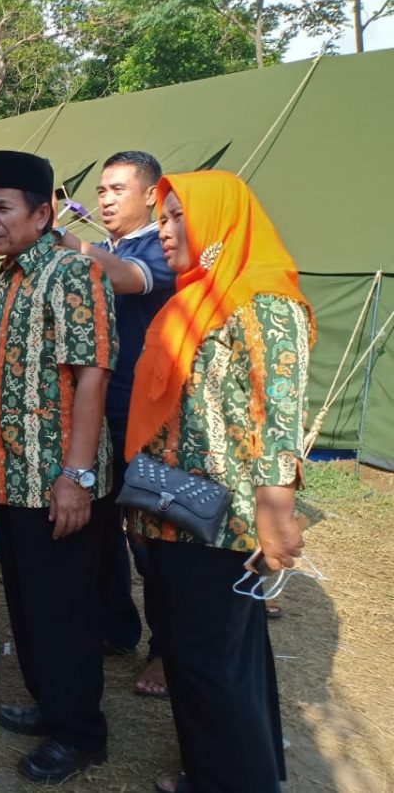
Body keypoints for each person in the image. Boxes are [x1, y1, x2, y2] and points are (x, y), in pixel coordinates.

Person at [127, 170, 313, 793]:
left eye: (179, 215)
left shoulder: (260, 296)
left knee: (211, 661)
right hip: (176, 511)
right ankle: (219, 772)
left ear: (221, 221)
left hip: (224, 521)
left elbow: (277, 406)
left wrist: (275, 505)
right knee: (201, 656)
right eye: (162, 215)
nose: (166, 228)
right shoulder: (196, 296)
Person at [0, 151, 117, 783]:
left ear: (43, 212)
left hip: (57, 480)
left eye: (2, 207)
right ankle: (51, 704)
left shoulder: (70, 271)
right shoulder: (7, 279)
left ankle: (80, 732)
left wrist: (77, 476)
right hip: (11, 479)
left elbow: (91, 376)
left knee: (63, 609)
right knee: (29, 604)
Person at [59, 151, 174, 695]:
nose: (105, 198)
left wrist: (76, 249)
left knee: (151, 534)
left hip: (147, 415)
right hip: (99, 411)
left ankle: (167, 650)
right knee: (101, 527)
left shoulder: (163, 242)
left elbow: (131, 280)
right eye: (100, 190)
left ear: (151, 194)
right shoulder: (109, 247)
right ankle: (115, 627)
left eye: (117, 189)